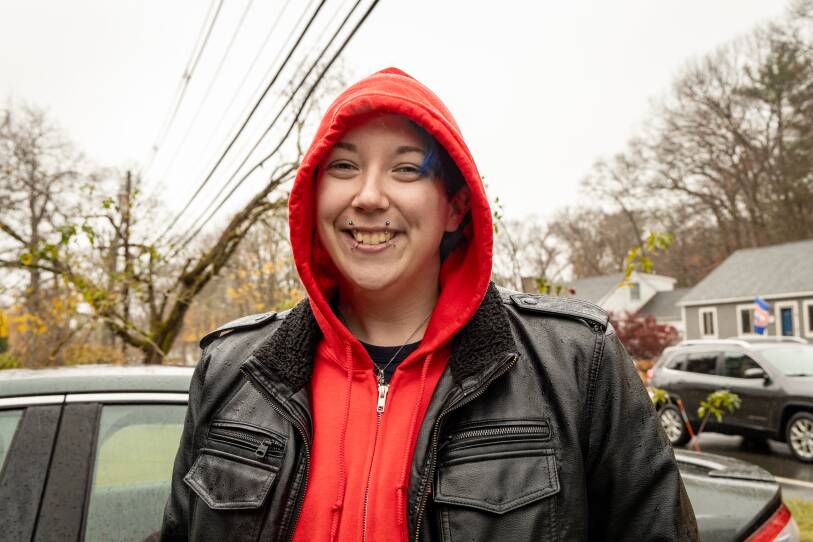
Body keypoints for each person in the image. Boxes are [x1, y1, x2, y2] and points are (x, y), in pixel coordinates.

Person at [161, 67, 697, 541]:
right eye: (344, 167)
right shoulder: (232, 370)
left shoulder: (577, 363)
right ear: (312, 198)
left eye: (406, 169)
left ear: (455, 207)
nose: (368, 196)